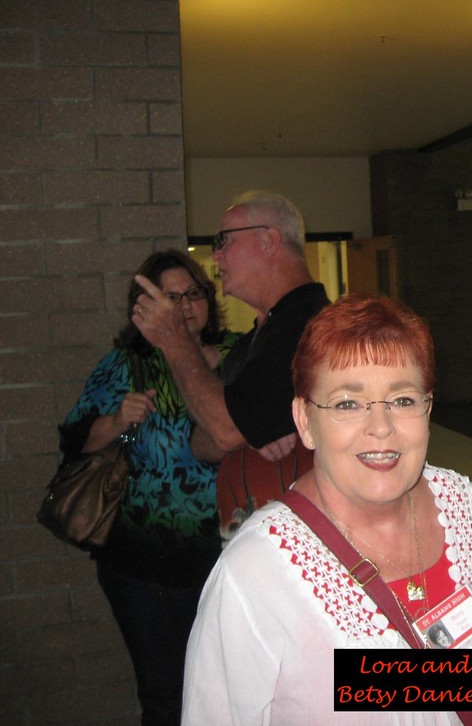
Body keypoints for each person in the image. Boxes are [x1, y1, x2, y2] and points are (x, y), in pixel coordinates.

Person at [182, 295, 472, 725]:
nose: (381, 427)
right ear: (305, 420)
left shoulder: (468, 510)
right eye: (347, 403)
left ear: (427, 408)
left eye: (402, 400)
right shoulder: (256, 573)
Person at [59, 250, 239, 726]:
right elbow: (75, 441)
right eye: (170, 297)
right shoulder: (127, 365)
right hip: (146, 570)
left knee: (235, 693)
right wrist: (118, 420)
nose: (185, 306)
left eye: (194, 293)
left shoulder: (242, 354)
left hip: (235, 563)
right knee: (167, 698)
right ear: (143, 310)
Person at [133, 190, 330, 540]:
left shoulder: (311, 327)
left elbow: (224, 429)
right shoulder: (250, 342)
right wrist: (248, 436)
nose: (216, 255)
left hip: (303, 547)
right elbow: (203, 440)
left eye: (224, 240)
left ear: (269, 240)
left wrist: (174, 338)